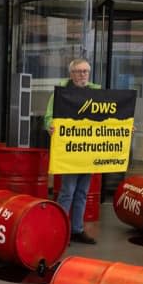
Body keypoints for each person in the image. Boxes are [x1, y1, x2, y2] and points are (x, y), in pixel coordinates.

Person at [43, 58, 100, 245]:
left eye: (85, 71)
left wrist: (123, 129)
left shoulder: (97, 92)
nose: (82, 74)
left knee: (82, 191)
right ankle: (59, 230)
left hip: (88, 150)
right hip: (69, 150)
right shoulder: (61, 93)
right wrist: (50, 125)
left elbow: (109, 116)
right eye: (78, 71)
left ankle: (76, 229)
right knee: (67, 191)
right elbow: (49, 116)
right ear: (71, 74)